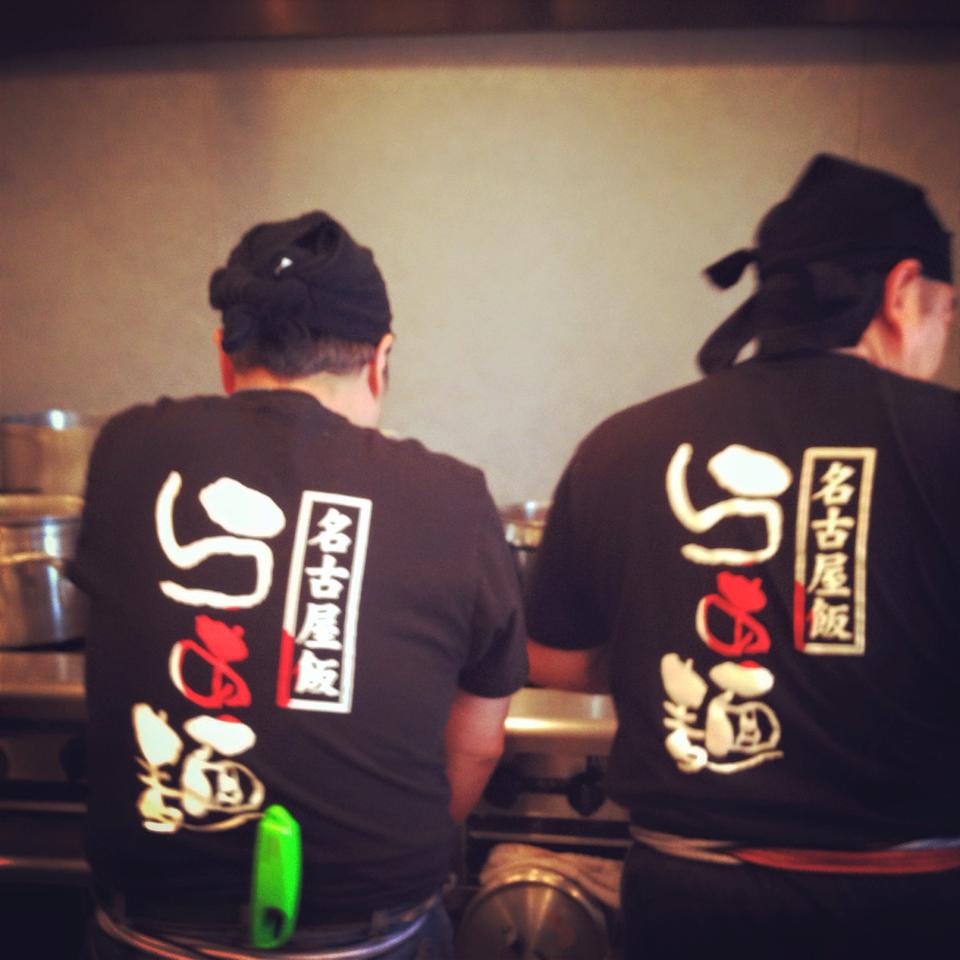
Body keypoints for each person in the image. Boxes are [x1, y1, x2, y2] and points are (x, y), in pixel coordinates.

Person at [523, 154, 959, 958]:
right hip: (910, 907)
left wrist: (666, 645)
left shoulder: (623, 443)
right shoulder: (946, 439)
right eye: (948, 313)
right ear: (902, 293)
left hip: (685, 899)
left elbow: (548, 657)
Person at [72, 211, 527, 959]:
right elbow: (478, 746)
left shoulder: (126, 448)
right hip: (371, 938)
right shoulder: (451, 496)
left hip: (146, 932)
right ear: (380, 360)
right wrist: (380, 855)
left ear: (226, 355)